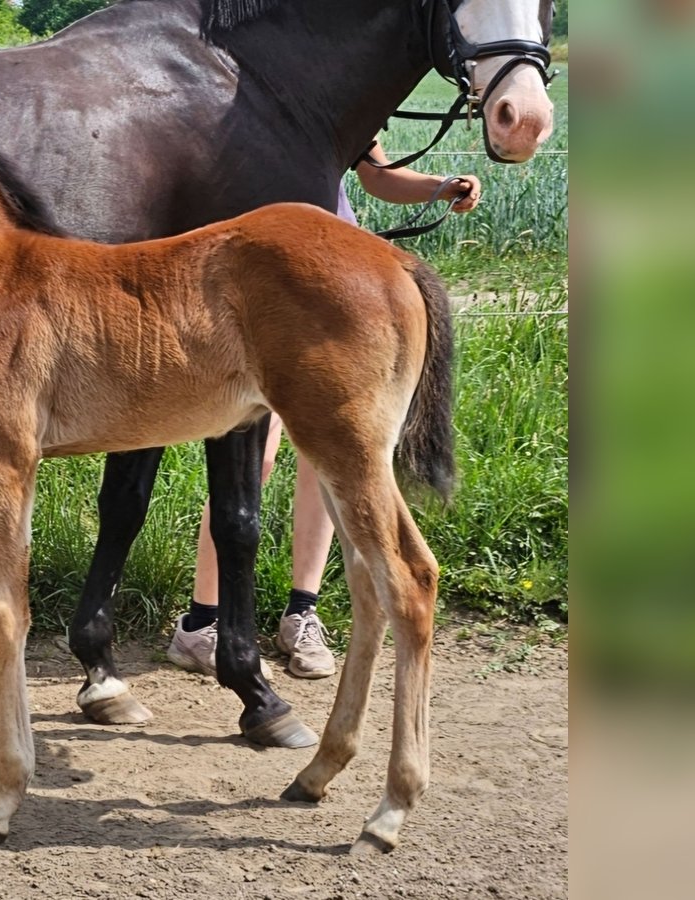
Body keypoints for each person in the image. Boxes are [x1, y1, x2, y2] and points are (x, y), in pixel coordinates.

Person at [166, 139, 481, 679]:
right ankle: (202, 620)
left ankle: (302, 611)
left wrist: (437, 186)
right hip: (265, 291)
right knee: (252, 464)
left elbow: (377, 174)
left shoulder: (329, 110)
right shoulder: (254, 109)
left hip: (333, 290)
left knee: (328, 460)